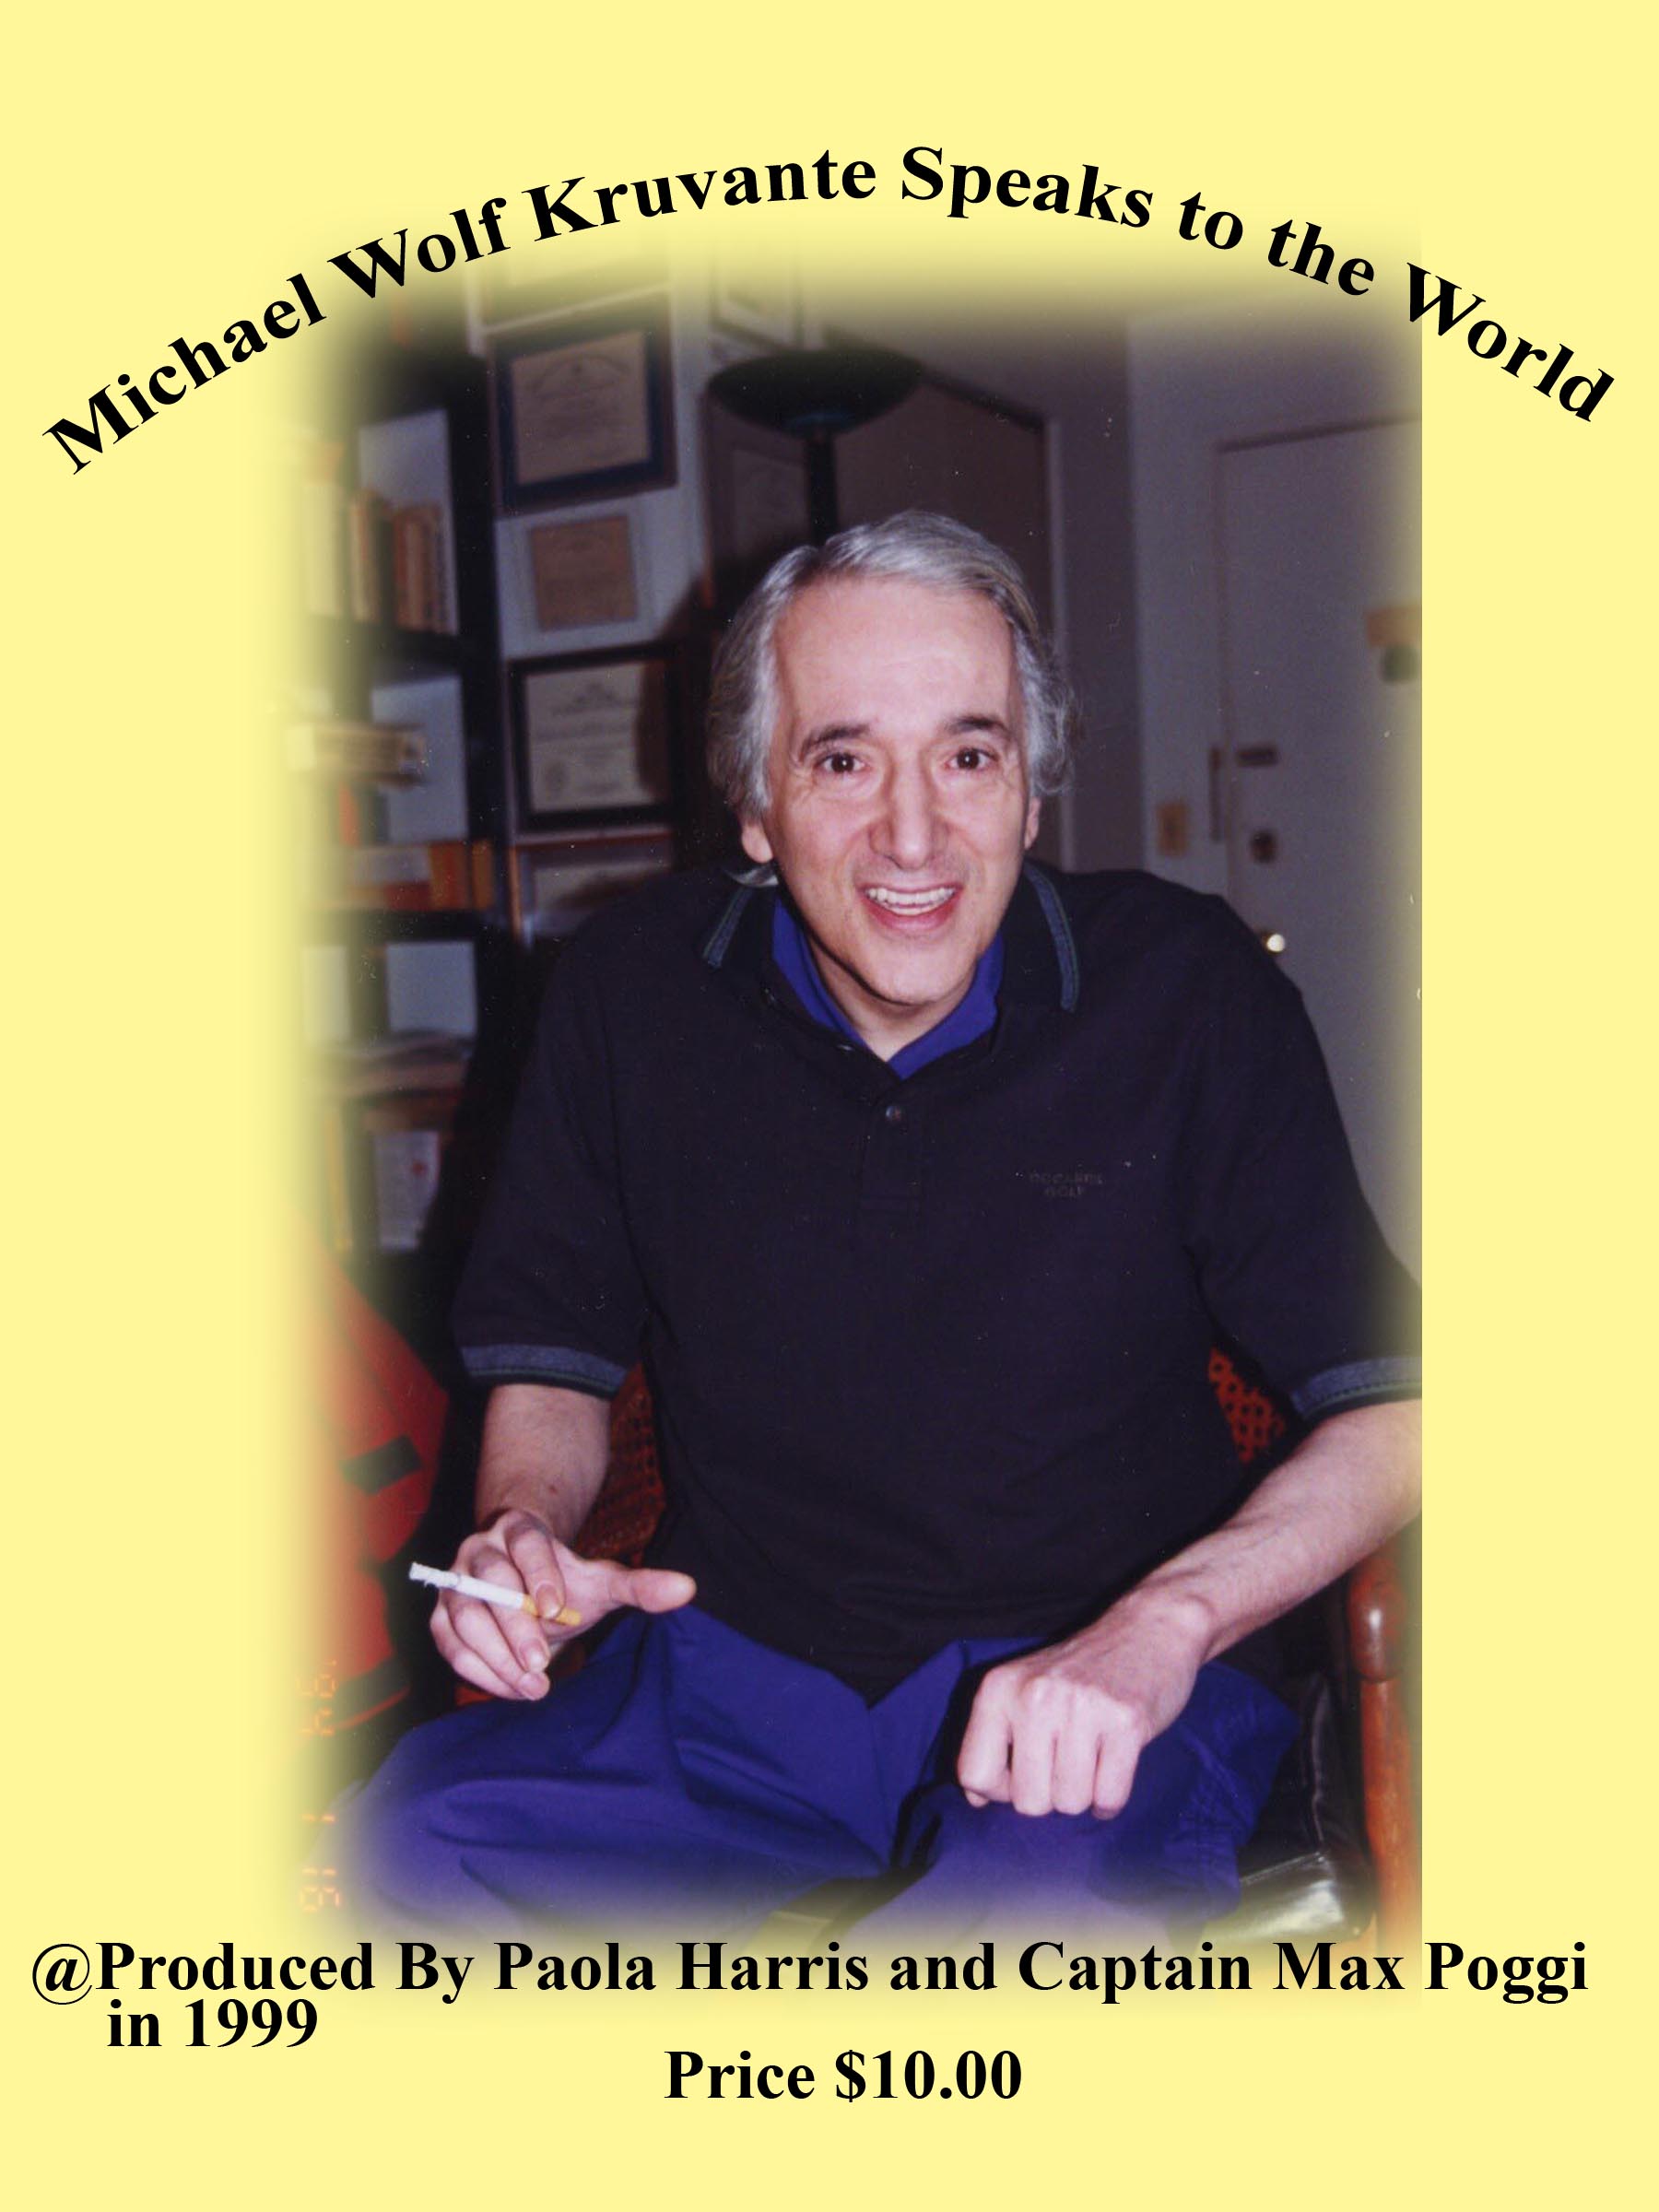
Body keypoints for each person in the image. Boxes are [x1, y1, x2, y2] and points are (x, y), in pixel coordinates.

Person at [350, 512, 1420, 1933]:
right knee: (397, 1859)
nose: (913, 836)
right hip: (731, 1689)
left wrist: (1163, 1630)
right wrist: (520, 1536)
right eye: (842, 760)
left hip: (1091, 1697)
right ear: (755, 806)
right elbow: (554, 1359)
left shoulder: (1189, 993)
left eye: (969, 757)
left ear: (1028, 797)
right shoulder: (627, 993)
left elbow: (1401, 1406)